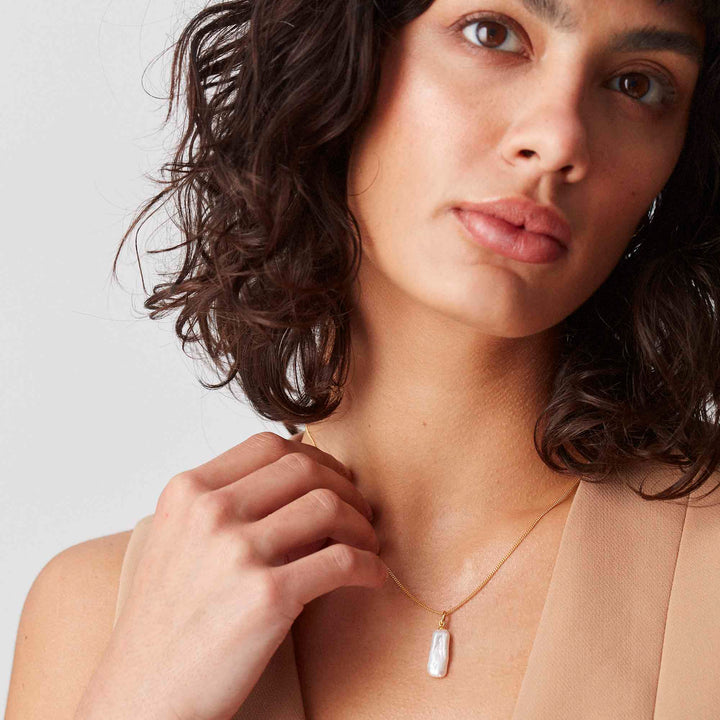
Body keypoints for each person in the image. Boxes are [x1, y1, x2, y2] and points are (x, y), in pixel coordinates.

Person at [6, 0, 720, 718]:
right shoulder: (96, 618)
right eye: (493, 34)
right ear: (345, 55)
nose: (560, 138)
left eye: (638, 84)